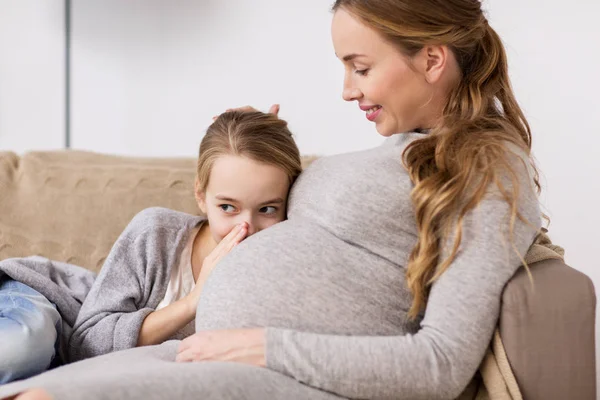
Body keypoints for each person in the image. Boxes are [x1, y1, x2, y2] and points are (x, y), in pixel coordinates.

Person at [1, 0, 542, 399]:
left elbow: (441, 365)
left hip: (275, 371)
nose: (347, 90)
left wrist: (261, 346)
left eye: (361, 66)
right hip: (207, 351)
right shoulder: (408, 148)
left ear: (431, 60)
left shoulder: (489, 170)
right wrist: (251, 146)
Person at [67, 110, 302, 361]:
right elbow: (85, 345)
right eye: (227, 207)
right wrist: (194, 300)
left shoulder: (290, 264)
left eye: (267, 209)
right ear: (201, 195)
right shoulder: (155, 236)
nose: (246, 230)